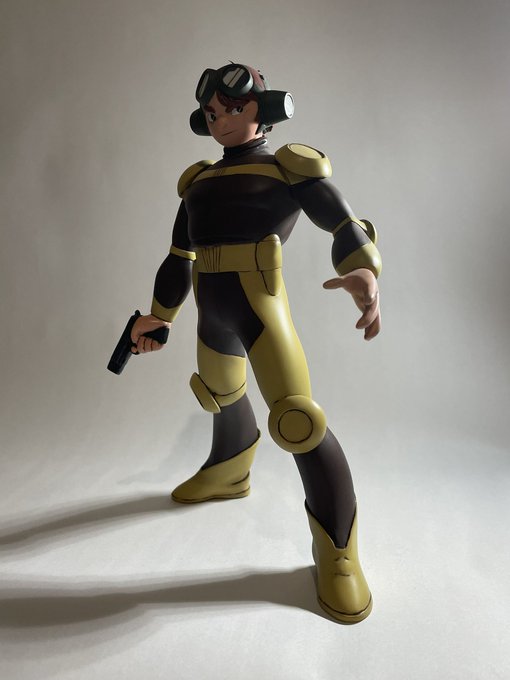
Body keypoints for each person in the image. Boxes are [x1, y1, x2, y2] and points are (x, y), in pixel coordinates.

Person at [130, 63, 381, 623]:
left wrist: (363, 269)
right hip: (210, 308)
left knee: (298, 420)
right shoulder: (197, 183)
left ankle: (339, 553)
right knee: (219, 392)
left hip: (261, 303)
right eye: (212, 113)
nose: (220, 120)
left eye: (232, 108)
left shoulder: (287, 168)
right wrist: (158, 317)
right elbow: (178, 257)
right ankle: (229, 469)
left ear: (263, 110)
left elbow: (340, 222)